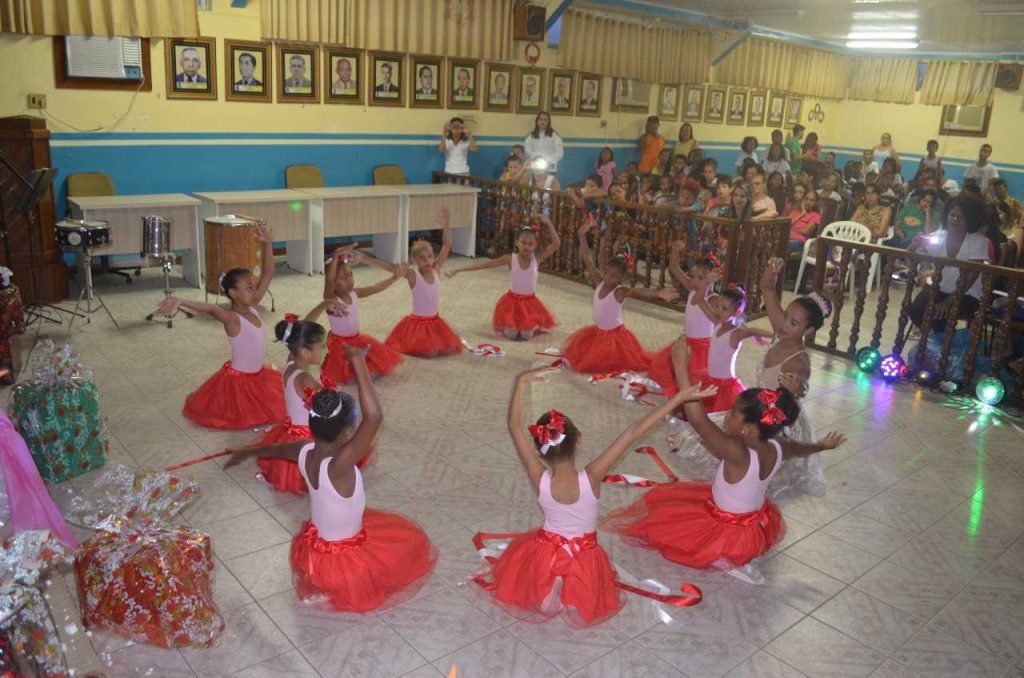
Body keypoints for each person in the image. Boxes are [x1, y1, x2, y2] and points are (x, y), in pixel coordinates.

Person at [473, 367, 709, 627]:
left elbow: (514, 425)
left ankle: (550, 587)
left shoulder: (538, 476)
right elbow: (633, 432)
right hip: (584, 554)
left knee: (541, 571)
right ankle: (564, 591)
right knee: (582, 583)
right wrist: (678, 398)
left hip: (544, 550)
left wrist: (521, 381)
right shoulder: (592, 476)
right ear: (578, 442)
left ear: (539, 452)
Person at [609, 339, 846, 574]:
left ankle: (724, 554)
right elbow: (801, 449)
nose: (727, 416)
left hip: (728, 529)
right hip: (753, 522)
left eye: (733, 413)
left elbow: (698, 421)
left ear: (747, 429)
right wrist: (822, 446)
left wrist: (681, 368)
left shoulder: (737, 453)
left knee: (663, 522)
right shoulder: (779, 445)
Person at [228, 351, 436, 612]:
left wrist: (246, 452)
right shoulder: (340, 466)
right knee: (407, 546)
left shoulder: (303, 450)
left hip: (316, 551)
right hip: (344, 562)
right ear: (348, 432)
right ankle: (337, 584)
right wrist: (358, 361)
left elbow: (275, 449)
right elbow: (374, 417)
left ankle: (323, 581)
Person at [158, 225, 282, 429]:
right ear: (233, 293)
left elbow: (268, 272)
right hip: (239, 382)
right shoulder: (232, 319)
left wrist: (268, 244)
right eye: (249, 287)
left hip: (259, 375)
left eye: (254, 286)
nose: (255, 290)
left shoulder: (252, 306)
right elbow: (211, 309)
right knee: (243, 414)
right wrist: (181, 301)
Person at [561, 218, 677, 373]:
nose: (609, 277)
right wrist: (581, 236)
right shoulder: (599, 281)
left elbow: (637, 291)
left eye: (614, 275)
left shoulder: (619, 292)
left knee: (611, 363)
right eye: (607, 272)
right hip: (598, 332)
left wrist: (658, 293)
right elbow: (586, 258)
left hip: (614, 337)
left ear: (621, 277)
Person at [446, 219, 560, 340]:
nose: (526, 246)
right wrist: (459, 269)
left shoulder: (536, 259)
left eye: (530, 244)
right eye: (523, 243)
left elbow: (556, 245)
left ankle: (525, 323)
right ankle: (511, 323)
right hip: (512, 302)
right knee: (512, 334)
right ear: (517, 242)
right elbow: (485, 265)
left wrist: (548, 223)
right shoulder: (510, 259)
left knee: (526, 335)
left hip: (529, 302)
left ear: (535, 245)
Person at [315, 247, 405, 383]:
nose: (349, 278)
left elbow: (375, 288)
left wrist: (394, 278)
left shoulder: (354, 293)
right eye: (343, 277)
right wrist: (336, 256)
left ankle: (359, 368)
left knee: (374, 361)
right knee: (351, 368)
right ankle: (354, 369)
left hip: (357, 339)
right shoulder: (331, 300)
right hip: (341, 344)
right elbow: (329, 281)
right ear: (334, 282)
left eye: (350, 274)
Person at [377, 210, 461, 357]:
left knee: (449, 349)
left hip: (435, 321)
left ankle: (431, 341)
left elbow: (447, 245)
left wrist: (446, 225)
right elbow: (390, 267)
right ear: (414, 260)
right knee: (431, 352)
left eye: (430, 256)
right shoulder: (413, 275)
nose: (428, 261)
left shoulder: (436, 268)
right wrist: (365, 259)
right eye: (422, 258)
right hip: (418, 324)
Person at [687, 276, 774, 412]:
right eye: (717, 306)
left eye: (724, 308)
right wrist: (708, 281)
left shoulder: (735, 334)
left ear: (736, 312)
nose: (718, 311)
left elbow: (751, 330)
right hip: (709, 380)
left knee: (721, 415)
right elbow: (698, 300)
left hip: (725, 387)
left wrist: (774, 336)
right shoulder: (717, 322)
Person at [908, 194, 990, 333]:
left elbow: (971, 276)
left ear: (970, 220)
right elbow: (914, 255)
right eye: (952, 215)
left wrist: (948, 302)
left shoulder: (977, 241)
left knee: (938, 315)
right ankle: (933, 338)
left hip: (966, 294)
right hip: (940, 288)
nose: (955, 220)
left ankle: (939, 342)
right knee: (916, 309)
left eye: (961, 217)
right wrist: (914, 246)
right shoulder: (941, 235)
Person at [648, 252, 719, 397]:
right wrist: (675, 250)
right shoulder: (692, 289)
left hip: (702, 348)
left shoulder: (713, 300)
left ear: (713, 278)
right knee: (661, 367)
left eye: (700, 278)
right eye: (693, 276)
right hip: (687, 341)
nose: (694, 281)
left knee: (695, 379)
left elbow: (720, 319)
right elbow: (674, 268)